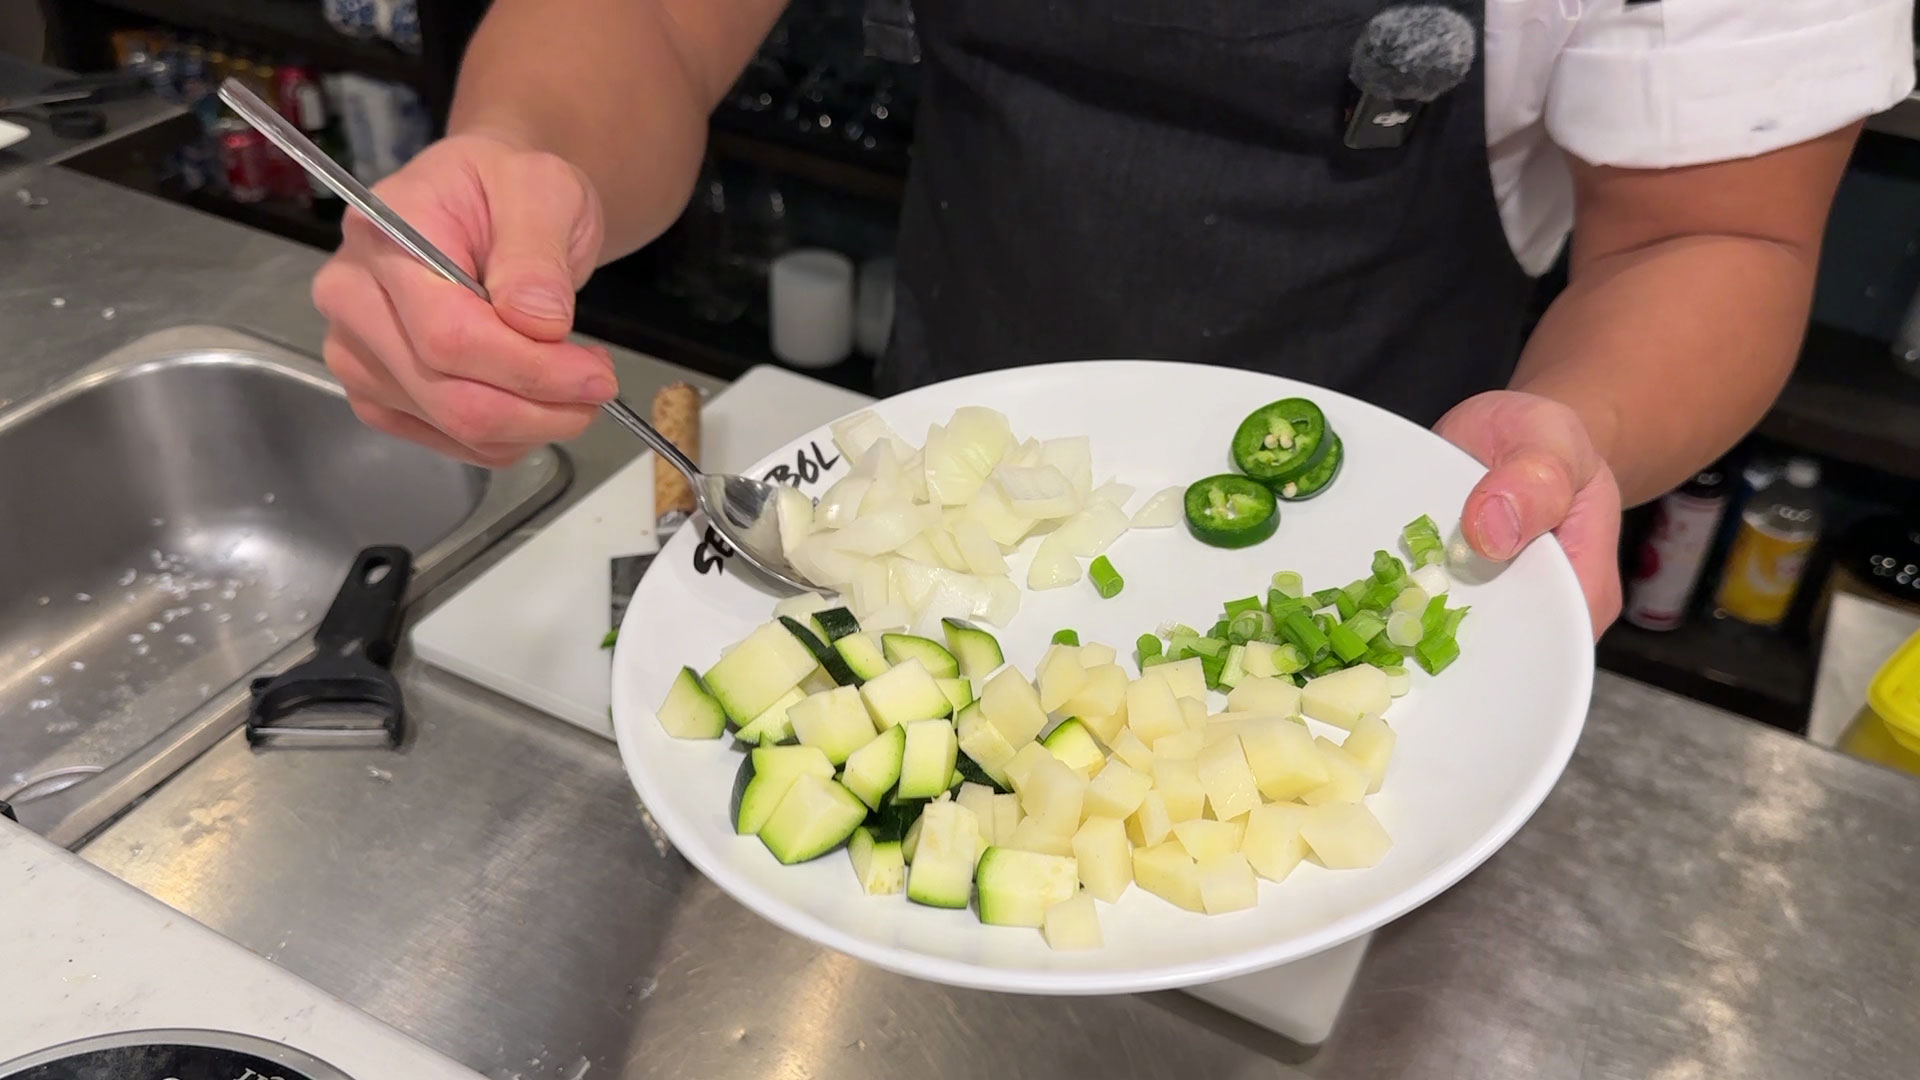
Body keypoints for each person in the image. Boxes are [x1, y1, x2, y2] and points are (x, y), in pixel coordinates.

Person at [310, 0, 1916, 638]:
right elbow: (648, 19)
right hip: (952, 480)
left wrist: (1584, 430)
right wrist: (521, 164)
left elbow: (1712, 231)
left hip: (1383, 521)